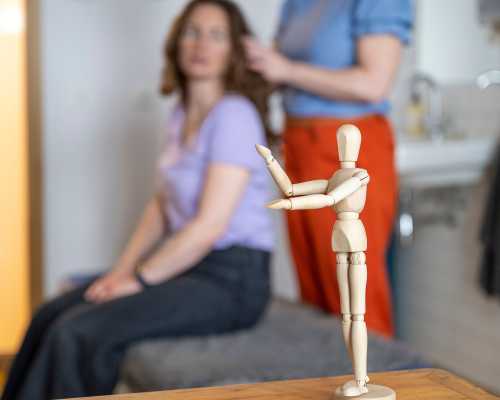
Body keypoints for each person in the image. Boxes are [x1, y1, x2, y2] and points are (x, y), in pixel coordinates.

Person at [2, 1, 273, 398]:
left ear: (234, 50)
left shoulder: (234, 115)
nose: (201, 44)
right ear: (177, 42)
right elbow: (162, 205)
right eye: (191, 32)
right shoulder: (181, 113)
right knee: (50, 314)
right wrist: (121, 271)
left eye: (217, 36)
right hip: (191, 267)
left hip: (233, 279)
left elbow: (207, 227)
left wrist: (141, 279)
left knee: (77, 331)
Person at [244, 0, 412, 337]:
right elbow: (279, 68)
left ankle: (376, 379)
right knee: (315, 290)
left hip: (348, 148)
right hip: (298, 144)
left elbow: (374, 84)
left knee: (353, 291)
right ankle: (330, 381)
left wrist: (287, 70)